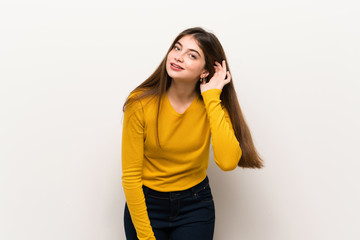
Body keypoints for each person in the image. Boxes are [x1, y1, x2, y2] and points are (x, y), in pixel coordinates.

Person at [121, 27, 264, 240]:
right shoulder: (140, 103)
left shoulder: (212, 105)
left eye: (192, 55)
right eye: (177, 48)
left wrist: (212, 98)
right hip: (146, 204)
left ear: (205, 71)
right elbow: (130, 177)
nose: (179, 56)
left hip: (195, 205)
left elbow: (227, 162)